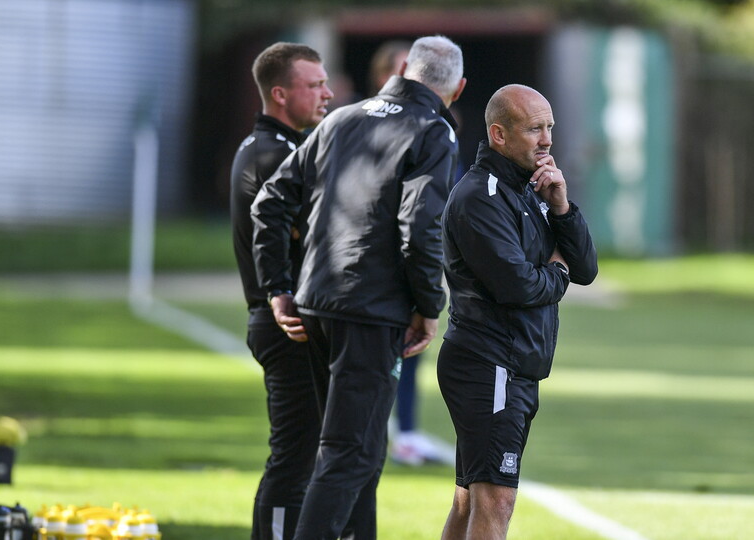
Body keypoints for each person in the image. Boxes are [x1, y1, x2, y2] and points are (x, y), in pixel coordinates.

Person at [251, 35, 466, 540]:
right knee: (349, 453)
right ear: (458, 88)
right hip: (370, 312)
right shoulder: (433, 129)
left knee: (363, 451)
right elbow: (421, 225)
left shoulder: (341, 118)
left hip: (315, 302)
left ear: (405, 69)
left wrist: (278, 288)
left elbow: (270, 202)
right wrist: (428, 306)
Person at [436, 84, 598, 540]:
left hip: (511, 366)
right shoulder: (480, 196)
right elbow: (520, 286)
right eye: (534, 129)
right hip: (490, 365)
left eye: (550, 127)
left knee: (470, 499)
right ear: (499, 134)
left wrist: (562, 207)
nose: (547, 140)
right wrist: (558, 272)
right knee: (495, 501)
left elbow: (586, 268)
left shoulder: (533, 188)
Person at [229, 42, 334, 540]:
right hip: (286, 322)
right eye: (315, 85)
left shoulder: (267, 145)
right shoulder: (276, 155)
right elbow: (309, 236)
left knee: (302, 458)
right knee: (294, 460)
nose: (327, 94)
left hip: (281, 319)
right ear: (280, 94)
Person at [366, 39, 446, 467]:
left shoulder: (433, 126)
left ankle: (407, 433)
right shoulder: (359, 123)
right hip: (375, 274)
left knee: (411, 355)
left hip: (402, 272)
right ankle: (374, 436)